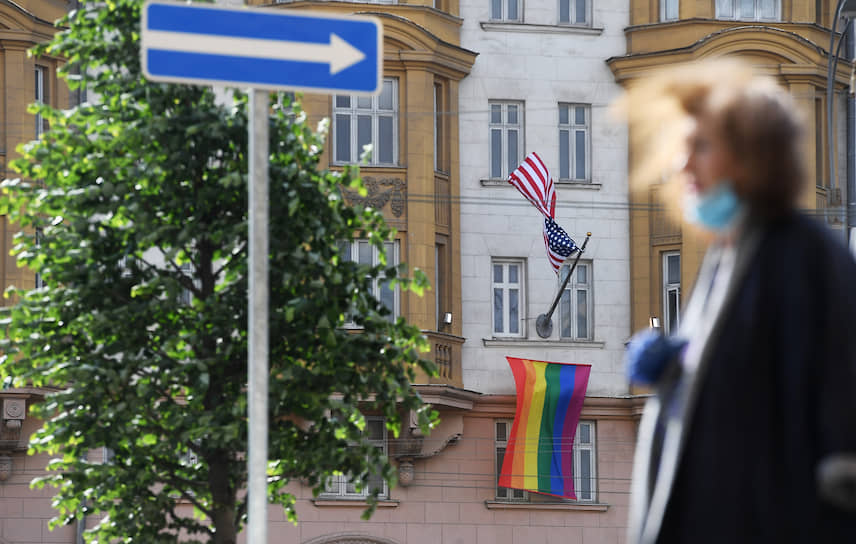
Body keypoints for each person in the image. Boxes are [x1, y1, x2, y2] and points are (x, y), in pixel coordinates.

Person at [618, 59, 856, 543]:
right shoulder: (732, 255)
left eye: (700, 147)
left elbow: (838, 415)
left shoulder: (803, 256)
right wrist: (674, 378)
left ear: (755, 155)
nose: (682, 165)